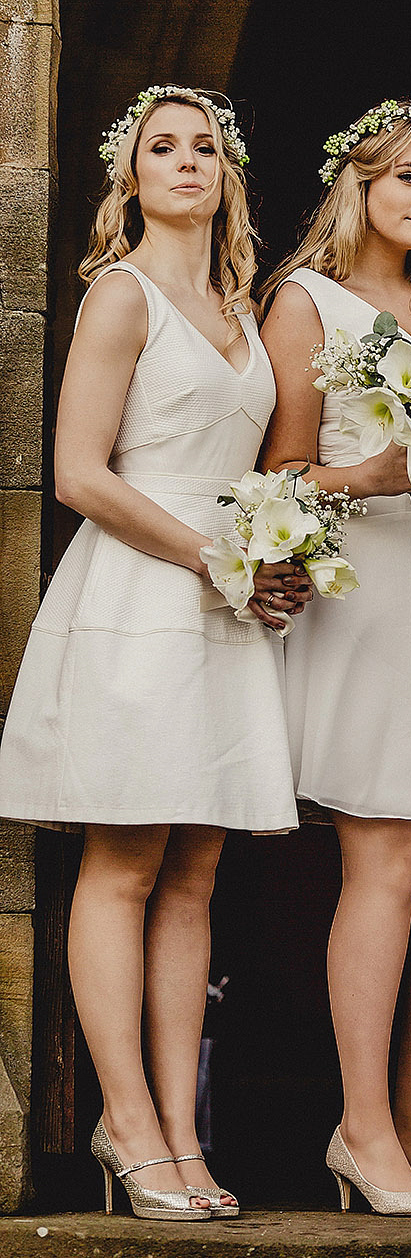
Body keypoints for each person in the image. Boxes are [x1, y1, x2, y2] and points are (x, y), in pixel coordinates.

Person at [0, 86, 312, 1219]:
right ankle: (125, 1125)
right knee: (124, 866)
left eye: (206, 148)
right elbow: (82, 473)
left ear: (229, 173)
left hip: (222, 609)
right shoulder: (120, 297)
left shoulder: (237, 305)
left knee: (196, 877)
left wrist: (277, 558)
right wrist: (213, 558)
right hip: (142, 592)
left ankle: (184, 1133)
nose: (186, 163)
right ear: (129, 177)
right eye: (161, 148)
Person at [258, 99, 411, 1216]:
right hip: (372, 599)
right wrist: (378, 476)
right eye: (407, 177)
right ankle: (360, 1129)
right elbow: (281, 475)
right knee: (385, 868)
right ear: (360, 179)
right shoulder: (306, 302)